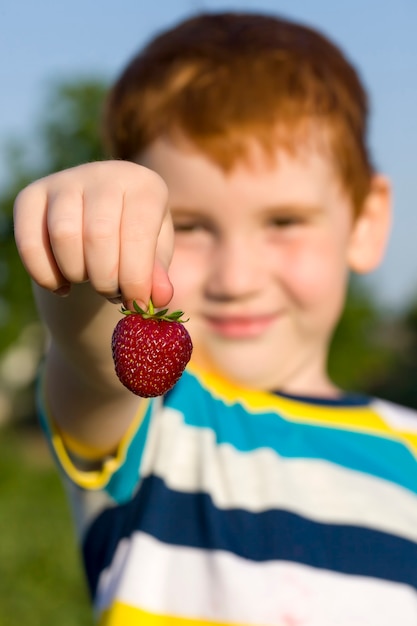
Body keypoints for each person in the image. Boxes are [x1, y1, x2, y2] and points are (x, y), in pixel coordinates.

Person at [13, 11, 417, 626]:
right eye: (192, 227)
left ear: (365, 222)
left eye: (284, 222)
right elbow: (93, 356)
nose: (237, 279)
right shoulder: (163, 425)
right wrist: (97, 239)